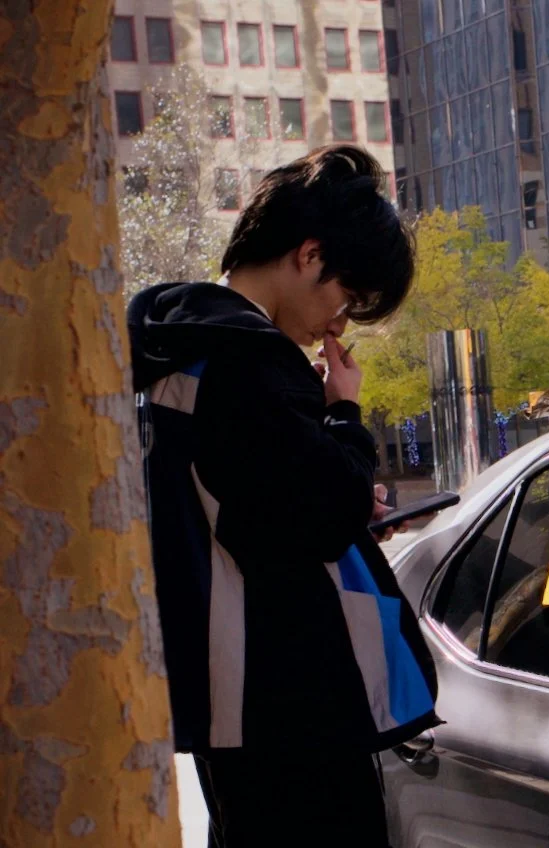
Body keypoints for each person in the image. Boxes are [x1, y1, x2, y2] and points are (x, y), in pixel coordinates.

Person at [127, 145, 438, 847]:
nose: (338, 325)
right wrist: (345, 418)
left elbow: (262, 515)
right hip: (287, 702)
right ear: (308, 254)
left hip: (223, 691)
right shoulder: (250, 365)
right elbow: (326, 515)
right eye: (346, 298)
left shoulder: (171, 351)